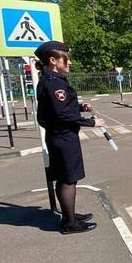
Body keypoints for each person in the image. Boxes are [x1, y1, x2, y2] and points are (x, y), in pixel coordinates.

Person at [35, 41, 106, 234]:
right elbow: (62, 114)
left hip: (58, 136)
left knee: (64, 178)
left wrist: (80, 107)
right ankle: (69, 223)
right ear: (53, 60)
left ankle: (69, 215)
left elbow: (59, 108)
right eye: (66, 59)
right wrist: (91, 122)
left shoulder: (50, 80)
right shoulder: (54, 82)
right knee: (68, 180)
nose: (70, 62)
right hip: (63, 137)